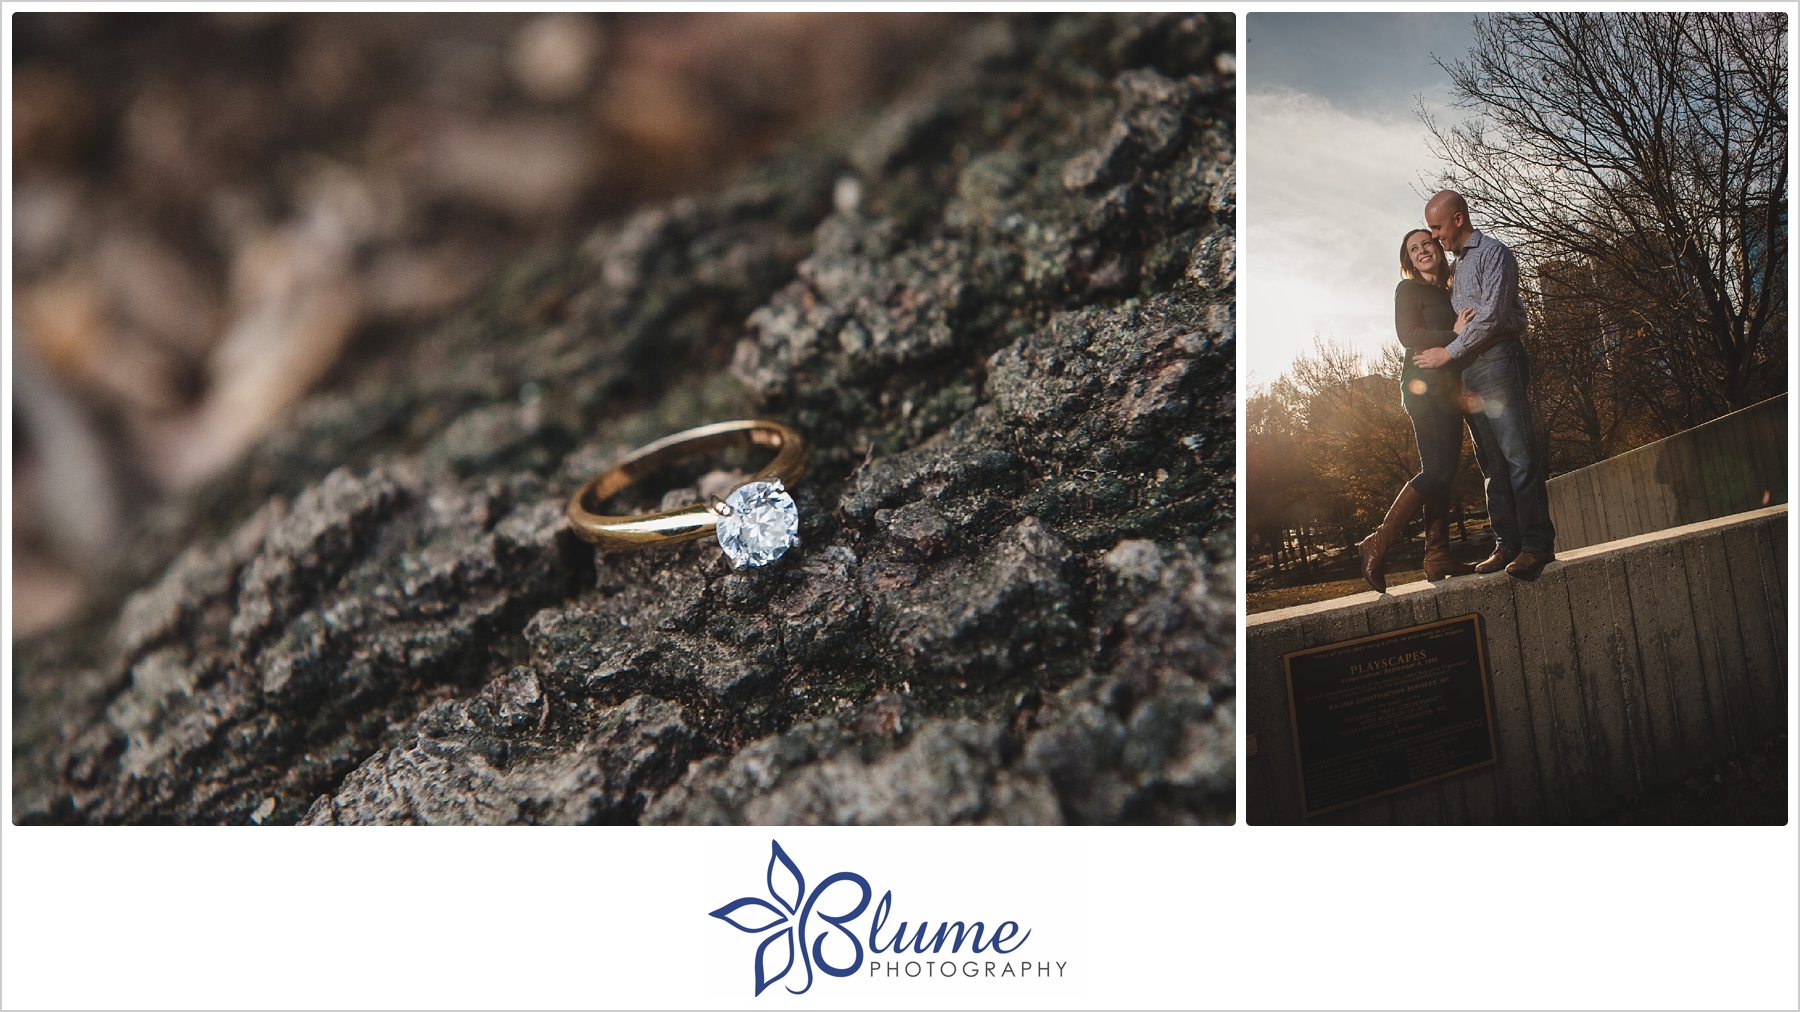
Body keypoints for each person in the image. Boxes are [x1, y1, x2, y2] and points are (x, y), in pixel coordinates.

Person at [1412, 190, 1556, 578]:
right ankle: (1506, 545)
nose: (1436, 236)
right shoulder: (1456, 268)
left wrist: (1448, 351)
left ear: (1458, 220)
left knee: (1517, 453)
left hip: (1496, 358)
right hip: (1469, 369)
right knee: (1491, 463)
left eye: (1437, 227)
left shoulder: (1494, 253)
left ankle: (1537, 544)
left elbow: (1492, 317)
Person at [1358, 229, 1476, 592]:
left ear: (1438, 249)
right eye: (1414, 248)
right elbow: (1408, 334)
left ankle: (1438, 555)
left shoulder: (1448, 290)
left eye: (1427, 243)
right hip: (1423, 388)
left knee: (1446, 473)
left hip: (1449, 390)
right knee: (1436, 470)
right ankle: (1377, 543)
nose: (1422, 250)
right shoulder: (1407, 290)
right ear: (1407, 259)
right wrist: (1452, 332)